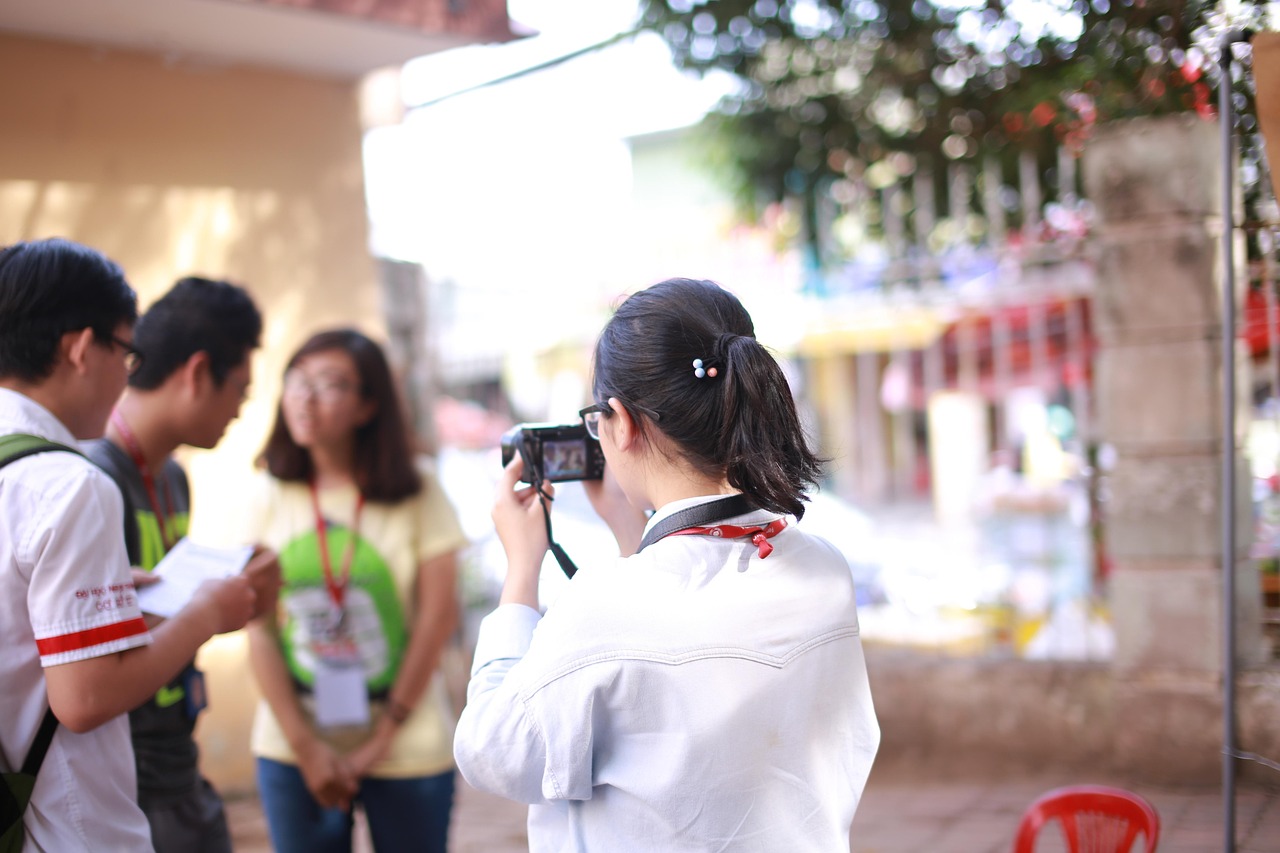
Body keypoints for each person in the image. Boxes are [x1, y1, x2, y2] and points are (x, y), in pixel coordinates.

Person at [454, 277, 880, 851]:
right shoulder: (822, 568)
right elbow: (681, 621)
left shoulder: (602, 608)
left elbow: (494, 750)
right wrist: (634, 531)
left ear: (621, 423)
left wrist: (521, 573)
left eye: (595, 421)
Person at [0, 238, 256, 852]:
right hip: (67, 825)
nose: (129, 372)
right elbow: (85, 698)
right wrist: (204, 616)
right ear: (82, 349)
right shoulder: (71, 484)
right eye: (127, 351)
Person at [228, 328, 468, 853]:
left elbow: (436, 621)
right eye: (296, 381)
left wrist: (380, 741)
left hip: (407, 736)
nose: (305, 397)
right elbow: (261, 632)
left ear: (367, 407)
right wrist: (307, 749)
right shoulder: (267, 492)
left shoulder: (419, 489)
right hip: (294, 741)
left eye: (330, 384)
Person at [83, 276, 278, 853]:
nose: (241, 410)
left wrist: (234, 593)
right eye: (239, 390)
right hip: (122, 783)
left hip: (176, 763)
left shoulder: (172, 477)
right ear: (197, 373)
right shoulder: (88, 479)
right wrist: (206, 612)